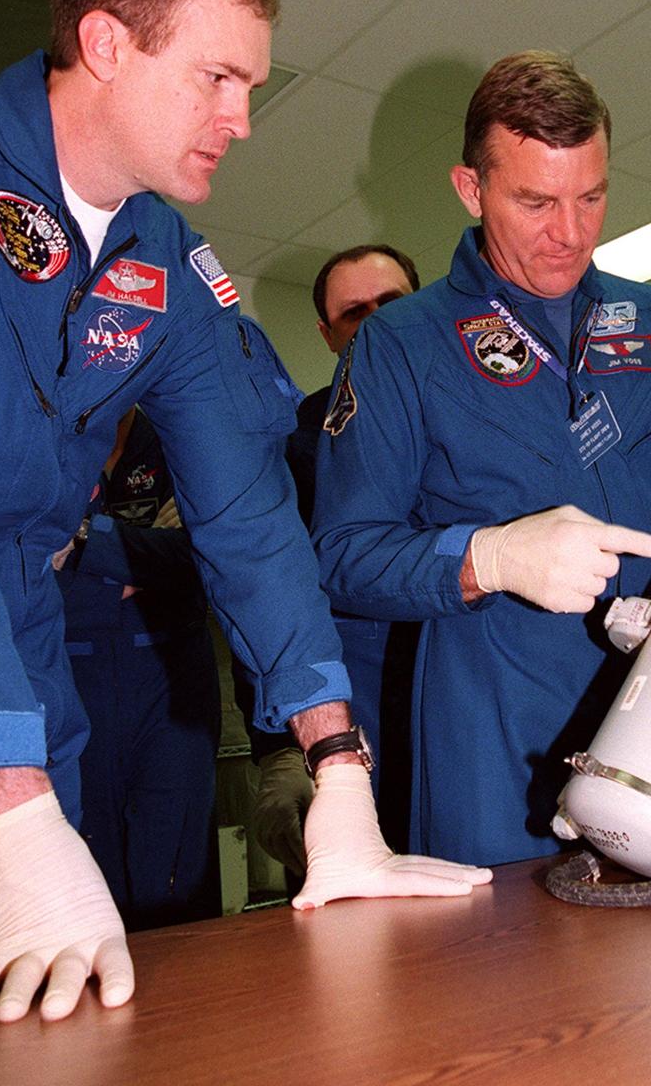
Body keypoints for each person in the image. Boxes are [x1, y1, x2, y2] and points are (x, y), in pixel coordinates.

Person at [0, 0, 489, 1025]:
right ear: (107, 43)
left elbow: (249, 512)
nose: (242, 120)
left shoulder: (167, 263)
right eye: (219, 78)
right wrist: (6, 805)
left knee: (47, 1020)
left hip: (20, 656)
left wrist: (337, 763)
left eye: (250, 87)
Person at [311, 50, 651, 869]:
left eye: (590, 197)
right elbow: (344, 556)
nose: (570, 233)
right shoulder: (401, 344)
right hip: (494, 734)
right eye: (535, 201)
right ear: (471, 188)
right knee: (503, 948)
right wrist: (487, 558)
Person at [245, 245, 421, 879]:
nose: (375, 322)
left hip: (469, 696)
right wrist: (278, 747)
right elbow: (263, 587)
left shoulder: (485, 415)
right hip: (347, 704)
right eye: (354, 312)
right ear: (327, 335)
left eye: (391, 303)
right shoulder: (289, 443)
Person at [58, 407, 221, 930]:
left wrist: (85, 540)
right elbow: (18, 572)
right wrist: (140, 564)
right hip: (69, 684)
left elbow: (208, 558)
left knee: (177, 887)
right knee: (82, 885)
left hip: (172, 686)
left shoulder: (182, 438)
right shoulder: (39, 445)